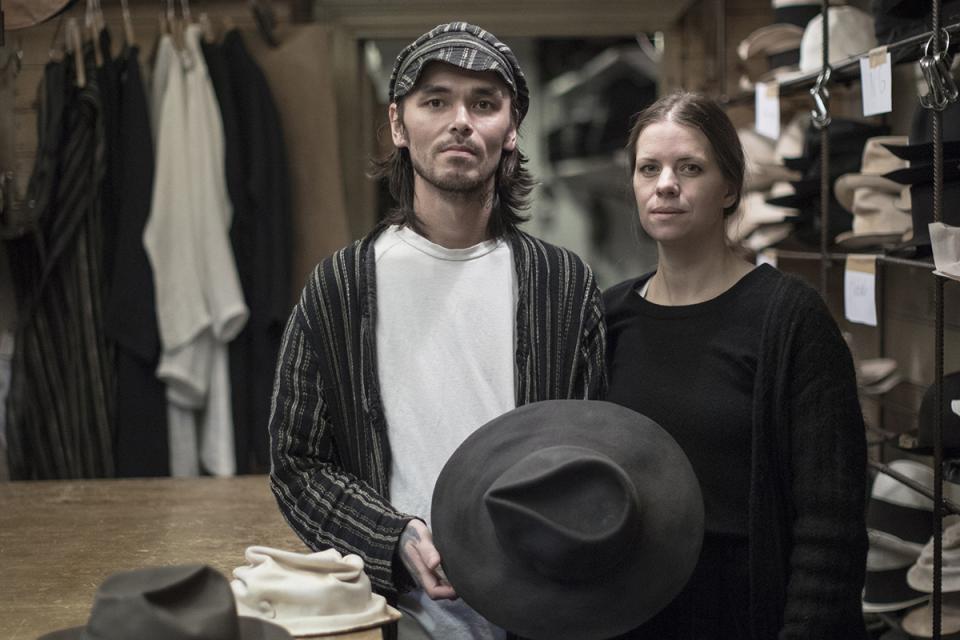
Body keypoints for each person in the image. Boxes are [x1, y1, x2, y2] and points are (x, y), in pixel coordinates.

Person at [268, 22, 606, 640]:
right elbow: (296, 464)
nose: (461, 121)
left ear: (511, 130)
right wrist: (392, 538)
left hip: (539, 605)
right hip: (393, 611)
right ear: (398, 124)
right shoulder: (341, 287)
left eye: (484, 103)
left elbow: (593, 455)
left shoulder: (564, 285)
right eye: (436, 100)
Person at [603, 91, 868, 639]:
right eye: (648, 168)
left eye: (690, 168)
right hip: (630, 613)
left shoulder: (789, 317)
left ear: (729, 188)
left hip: (747, 613)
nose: (666, 184)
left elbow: (831, 519)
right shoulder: (608, 317)